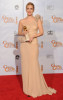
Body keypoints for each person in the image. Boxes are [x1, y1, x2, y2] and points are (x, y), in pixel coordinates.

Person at [18, 2, 57, 98]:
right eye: (28, 8)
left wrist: (33, 36)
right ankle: (27, 89)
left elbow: (42, 32)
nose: (29, 10)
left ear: (33, 10)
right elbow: (19, 32)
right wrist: (24, 33)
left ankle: (35, 88)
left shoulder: (37, 19)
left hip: (33, 43)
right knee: (26, 65)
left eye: (31, 8)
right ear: (26, 10)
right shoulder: (22, 21)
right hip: (25, 45)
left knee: (33, 64)